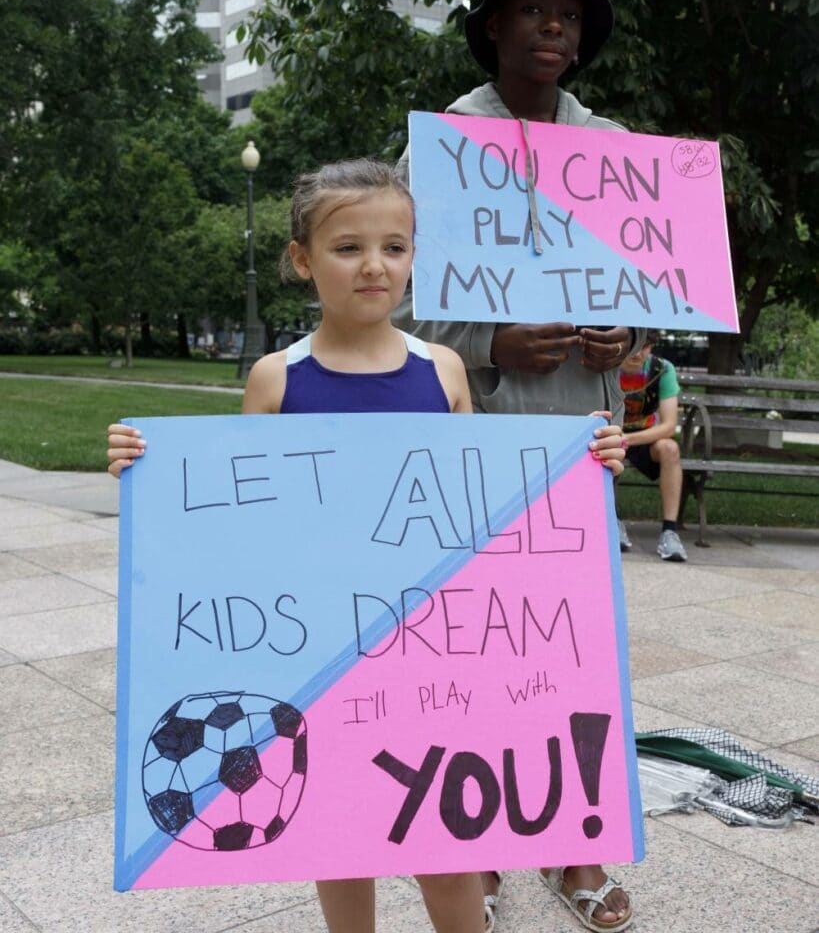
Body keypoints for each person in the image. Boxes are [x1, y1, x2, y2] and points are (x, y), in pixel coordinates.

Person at [106, 158, 627, 933]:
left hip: (429, 651)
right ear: (302, 260)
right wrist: (146, 474)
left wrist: (581, 472)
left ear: (416, 255)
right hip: (320, 655)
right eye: (348, 247)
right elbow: (238, 515)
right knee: (336, 835)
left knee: (446, 841)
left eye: (395, 245)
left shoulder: (442, 370)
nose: (374, 265)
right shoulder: (275, 379)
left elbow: (481, 502)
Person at [393, 0, 639, 933]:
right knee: (486, 654)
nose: (552, 27)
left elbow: (642, 285)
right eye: (532, 9)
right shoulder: (443, 142)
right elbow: (397, 293)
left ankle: (576, 844)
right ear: (493, 24)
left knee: (578, 655)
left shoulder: (611, 147)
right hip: (479, 434)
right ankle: (482, 844)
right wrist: (489, 340)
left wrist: (626, 329)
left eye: (568, 14)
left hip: (582, 440)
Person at [618, 331, 688, 562]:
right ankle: (610, 520)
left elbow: (668, 427)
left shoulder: (661, 369)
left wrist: (627, 440)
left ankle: (670, 530)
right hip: (609, 432)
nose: (638, 353)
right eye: (633, 345)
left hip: (643, 436)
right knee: (602, 451)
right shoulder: (606, 365)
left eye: (645, 346)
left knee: (670, 449)